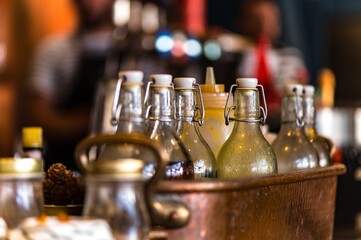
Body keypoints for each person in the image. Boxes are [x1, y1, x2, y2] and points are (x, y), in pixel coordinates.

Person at [25, 0, 115, 170]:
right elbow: (38, 117)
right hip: (64, 169)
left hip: (120, 169)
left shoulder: (137, 51)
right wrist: (94, 120)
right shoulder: (53, 50)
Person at [236, 0, 308, 132]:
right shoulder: (235, 54)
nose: (263, 25)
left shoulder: (290, 57)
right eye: (257, 19)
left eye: (270, 19)